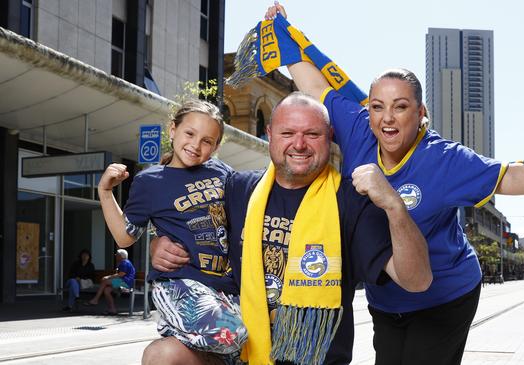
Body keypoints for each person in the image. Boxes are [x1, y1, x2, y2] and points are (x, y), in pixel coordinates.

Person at [265, 4, 524, 364]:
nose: (387, 118)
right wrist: (279, 28)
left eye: (400, 107)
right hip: (386, 298)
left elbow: (513, 176)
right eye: (378, 106)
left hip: (445, 294)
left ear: (420, 113)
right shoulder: (357, 127)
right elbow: (313, 83)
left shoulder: (447, 159)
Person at [144, 92, 432, 365]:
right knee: (162, 355)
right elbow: (178, 208)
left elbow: (417, 280)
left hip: (313, 358)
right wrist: (159, 241)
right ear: (270, 135)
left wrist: (395, 207)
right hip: (239, 353)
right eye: (287, 133)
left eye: (312, 134)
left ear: (329, 138)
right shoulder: (237, 188)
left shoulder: (351, 202)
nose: (299, 144)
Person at [97, 100, 246, 362]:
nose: (196, 145)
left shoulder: (222, 172)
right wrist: (105, 192)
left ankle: (186, 339)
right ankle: (173, 325)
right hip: (181, 283)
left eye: (207, 141)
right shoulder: (151, 180)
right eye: (190, 134)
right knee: (232, 334)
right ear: (173, 130)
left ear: (216, 147)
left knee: (244, 341)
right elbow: (125, 236)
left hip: (225, 286)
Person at [84, 249, 135, 315]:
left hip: (125, 284)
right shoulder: (124, 262)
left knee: (105, 281)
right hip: (122, 282)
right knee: (106, 290)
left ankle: (95, 299)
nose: (115, 255)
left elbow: (121, 274)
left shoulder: (125, 262)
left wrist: (108, 277)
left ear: (121, 256)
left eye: (117, 254)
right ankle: (112, 309)